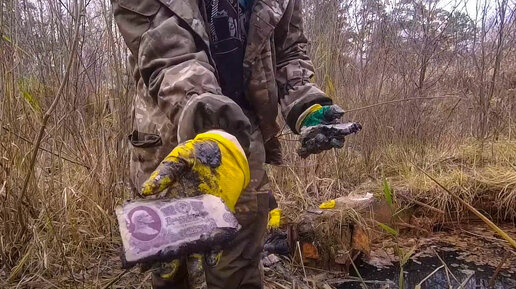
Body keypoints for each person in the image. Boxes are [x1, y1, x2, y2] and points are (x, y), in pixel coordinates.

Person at [112, 0, 352, 288]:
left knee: (238, 266)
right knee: (175, 269)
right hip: (174, 141)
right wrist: (213, 129)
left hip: (245, 143)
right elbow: (168, 56)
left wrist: (305, 102)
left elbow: (289, 50)